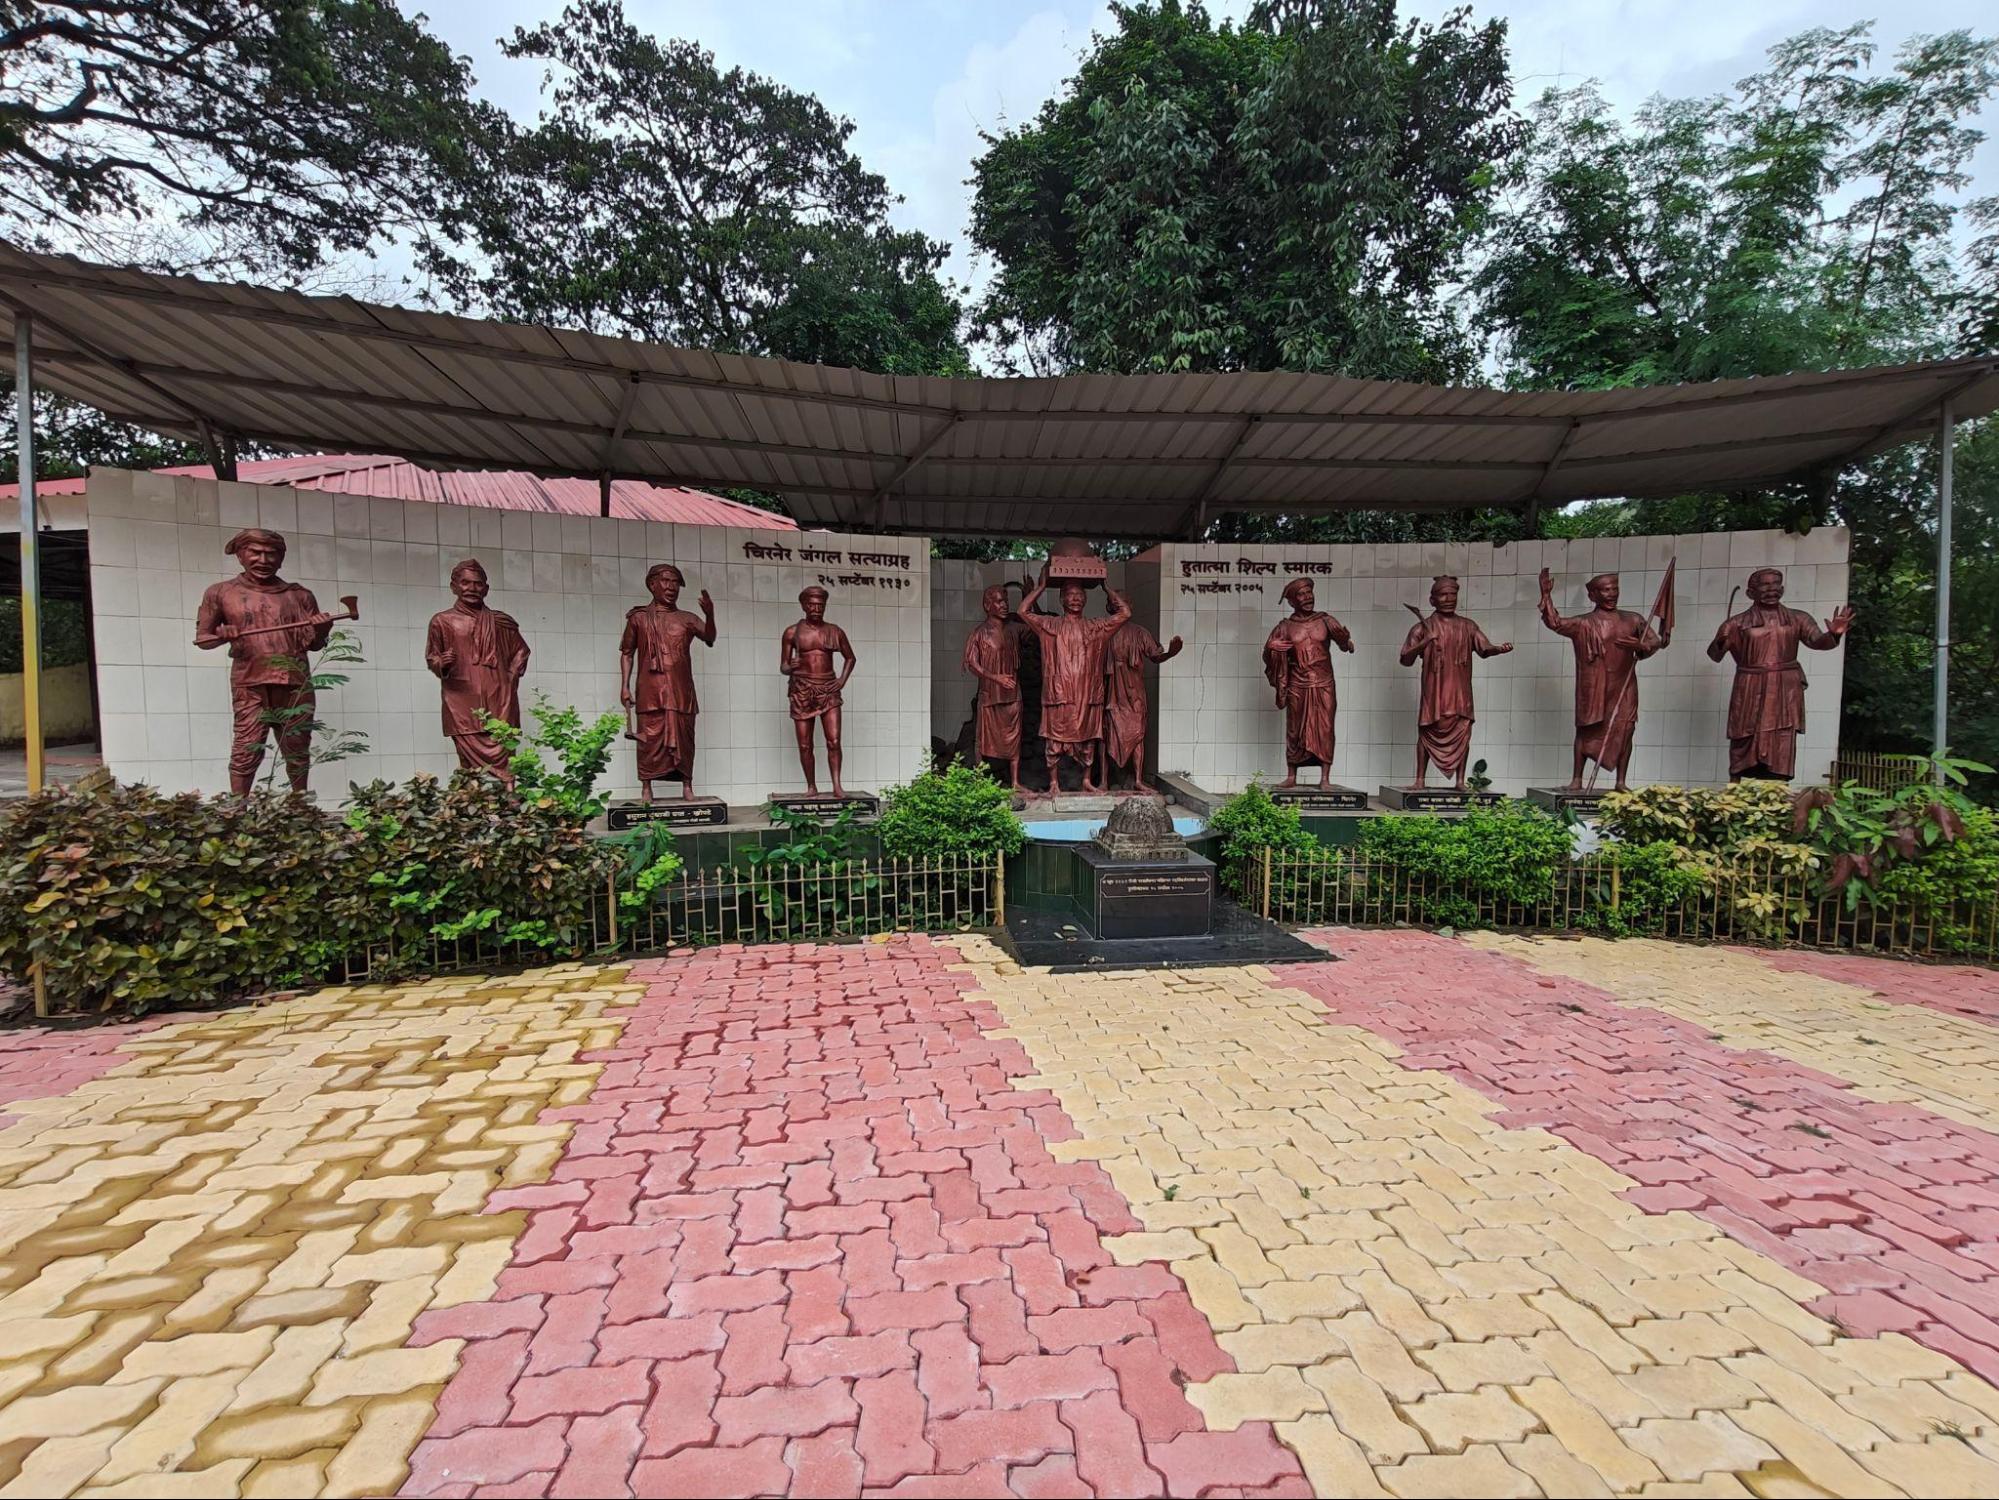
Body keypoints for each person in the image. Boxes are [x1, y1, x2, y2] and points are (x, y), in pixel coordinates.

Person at [193, 528, 335, 795]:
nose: (263, 560)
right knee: (247, 747)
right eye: (255, 553)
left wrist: (322, 628)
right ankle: (238, 809)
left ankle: (300, 806)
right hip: (250, 683)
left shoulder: (299, 595)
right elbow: (203, 639)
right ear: (240, 555)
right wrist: (223, 636)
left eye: (271, 554)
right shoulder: (220, 592)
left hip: (295, 683)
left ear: (281, 558)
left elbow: (313, 644)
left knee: (297, 747)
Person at [1707, 567, 1853, 780]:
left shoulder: (1798, 618)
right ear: (1750, 593)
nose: (1772, 589)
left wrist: (1833, 634)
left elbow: (1817, 641)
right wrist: (1721, 639)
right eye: (1765, 585)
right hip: (1750, 685)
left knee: (1782, 737)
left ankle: (1778, 791)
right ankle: (1735, 793)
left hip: (1784, 687)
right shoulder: (1737, 622)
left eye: (1776, 584)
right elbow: (1714, 654)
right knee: (1744, 734)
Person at [1538, 568, 1668, 791]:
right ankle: (1577, 779)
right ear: (1593, 595)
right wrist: (1546, 595)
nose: (1611, 594)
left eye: (1614, 589)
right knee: (1587, 729)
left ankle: (1620, 781)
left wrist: (1641, 646)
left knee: (1626, 729)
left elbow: (1654, 642)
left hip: (1624, 686)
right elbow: (1556, 623)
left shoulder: (1633, 619)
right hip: (1594, 686)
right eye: (1606, 590)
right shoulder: (1584, 623)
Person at [1017, 565, 1130, 795]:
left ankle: (1086, 781)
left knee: (1088, 739)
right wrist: (1041, 587)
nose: (1076, 599)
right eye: (1070, 595)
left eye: (1080, 595)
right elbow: (1022, 612)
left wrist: (1106, 587)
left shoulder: (1096, 627)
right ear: (1061, 599)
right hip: (1059, 693)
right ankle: (1054, 783)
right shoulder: (1050, 625)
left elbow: (1125, 613)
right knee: (1054, 741)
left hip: (1087, 695)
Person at [1398, 575, 1511, 789]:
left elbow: (1484, 648)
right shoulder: (1423, 628)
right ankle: (1420, 779)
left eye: (1453, 594)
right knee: (1427, 731)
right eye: (1443, 594)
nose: (1449, 598)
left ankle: (1460, 781)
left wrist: (1498, 649)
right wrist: (1424, 642)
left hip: (1459, 691)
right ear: (1433, 600)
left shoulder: (1467, 626)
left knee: (1462, 731)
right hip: (1435, 692)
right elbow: (1405, 658)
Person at [425, 559, 531, 783]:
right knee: (468, 760)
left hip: (499, 698)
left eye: (478, 583)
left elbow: (521, 650)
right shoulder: (442, 621)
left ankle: (509, 793)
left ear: (486, 588)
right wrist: (440, 662)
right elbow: (432, 657)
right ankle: (472, 798)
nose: (472, 589)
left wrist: (509, 679)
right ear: (454, 586)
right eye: (465, 583)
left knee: (504, 748)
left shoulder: (501, 622)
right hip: (461, 700)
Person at [620, 563, 717, 803]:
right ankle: (646, 788)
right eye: (666, 581)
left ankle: (687, 785)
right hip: (650, 689)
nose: (671, 587)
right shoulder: (639, 618)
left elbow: (710, 638)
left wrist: (710, 614)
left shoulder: (687, 619)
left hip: (681, 688)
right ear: (652, 584)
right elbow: (627, 652)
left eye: (675, 583)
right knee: (648, 738)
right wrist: (624, 686)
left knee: (685, 738)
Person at [1263, 578, 1354, 789]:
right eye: (1302, 595)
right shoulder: (1285, 627)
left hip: (1323, 683)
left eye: (1309, 593)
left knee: (1325, 728)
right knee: (1295, 729)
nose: (1308, 597)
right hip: (1297, 684)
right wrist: (1271, 648)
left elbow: (1345, 645)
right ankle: (1291, 775)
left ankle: (1325, 778)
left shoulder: (1326, 621)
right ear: (1293, 601)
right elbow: (1268, 654)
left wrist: (1346, 640)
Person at [780, 585, 857, 796]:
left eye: (820, 605)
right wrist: (790, 666)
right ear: (804, 606)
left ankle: (837, 785)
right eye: (812, 605)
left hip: (828, 690)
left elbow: (850, 657)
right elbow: (783, 666)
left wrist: (841, 680)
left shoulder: (834, 631)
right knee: (805, 745)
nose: (816, 608)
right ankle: (811, 786)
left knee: (834, 740)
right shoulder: (792, 632)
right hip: (802, 690)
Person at [1104, 618, 1182, 793]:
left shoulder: (1139, 632)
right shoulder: (1104, 630)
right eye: (1113, 603)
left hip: (1134, 692)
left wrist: (1170, 653)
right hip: (1112, 691)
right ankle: (1104, 780)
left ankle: (1138, 779)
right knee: (1107, 734)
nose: (1117, 606)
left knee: (1138, 733)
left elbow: (1155, 656)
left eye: (1121, 602)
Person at [961, 584, 1026, 789]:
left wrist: (1032, 593)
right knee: (983, 739)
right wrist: (996, 678)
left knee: (1015, 738)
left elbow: (1035, 624)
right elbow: (972, 664)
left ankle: (1015, 782)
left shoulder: (1014, 629)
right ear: (987, 605)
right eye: (999, 601)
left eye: (1005, 601)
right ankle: (981, 781)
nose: (1004, 605)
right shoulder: (979, 633)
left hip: (1013, 695)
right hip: (990, 695)